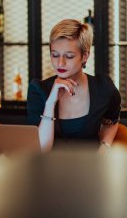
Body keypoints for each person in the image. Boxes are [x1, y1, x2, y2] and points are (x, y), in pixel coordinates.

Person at [27, 19, 121, 153]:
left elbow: (111, 122)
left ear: (85, 56)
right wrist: (50, 104)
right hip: (50, 170)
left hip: (91, 169)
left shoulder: (104, 88)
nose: (60, 63)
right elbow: (42, 149)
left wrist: (105, 145)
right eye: (55, 55)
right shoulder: (38, 90)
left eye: (69, 56)